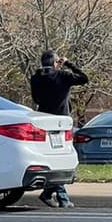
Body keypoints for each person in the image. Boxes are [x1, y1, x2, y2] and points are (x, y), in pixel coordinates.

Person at [30, 49, 89, 208]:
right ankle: (62, 198)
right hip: (61, 122)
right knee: (59, 157)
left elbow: (35, 98)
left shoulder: (36, 78)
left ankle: (49, 194)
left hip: (43, 120)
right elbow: (84, 78)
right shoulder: (63, 76)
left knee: (53, 157)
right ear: (56, 63)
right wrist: (68, 63)